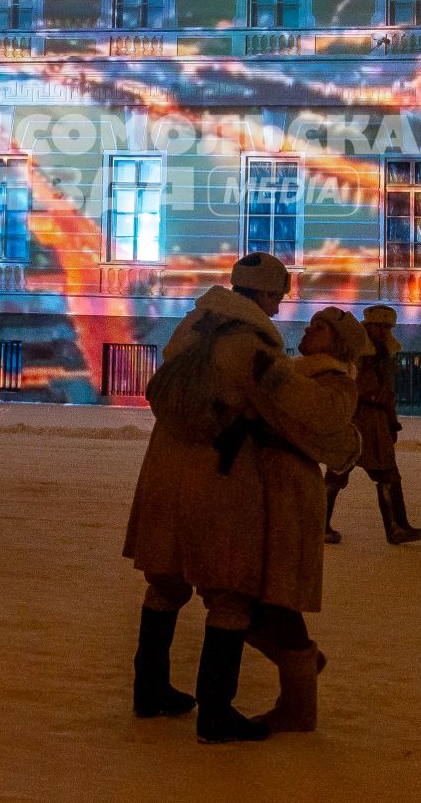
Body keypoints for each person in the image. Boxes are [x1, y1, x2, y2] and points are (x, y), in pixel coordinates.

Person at [123, 251, 294, 745]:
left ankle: (149, 688)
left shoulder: (190, 327)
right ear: (262, 294)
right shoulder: (253, 344)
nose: (281, 307)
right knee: (228, 591)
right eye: (278, 296)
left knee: (167, 580)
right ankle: (216, 712)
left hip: (166, 466)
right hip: (222, 471)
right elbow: (276, 410)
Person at [244, 306, 363, 733]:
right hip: (264, 487)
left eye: (322, 328)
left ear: (339, 342)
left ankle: (298, 704)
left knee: (279, 594)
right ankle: (302, 666)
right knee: (248, 591)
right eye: (311, 325)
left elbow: (325, 420)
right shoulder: (298, 370)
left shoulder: (335, 380)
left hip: (292, 491)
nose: (310, 331)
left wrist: (273, 379)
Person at [323, 303, 421, 545]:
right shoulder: (354, 352)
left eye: (387, 326)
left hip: (377, 423)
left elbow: (387, 392)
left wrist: (392, 422)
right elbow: (344, 384)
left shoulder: (385, 353)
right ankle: (320, 525)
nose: (382, 330)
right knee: (337, 474)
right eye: (378, 325)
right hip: (354, 420)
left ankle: (397, 527)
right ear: (368, 325)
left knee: (388, 474)